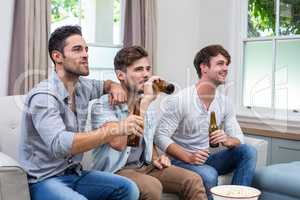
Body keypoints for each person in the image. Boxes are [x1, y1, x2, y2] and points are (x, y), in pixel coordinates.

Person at [19, 25, 139, 200]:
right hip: (44, 180)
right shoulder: (43, 97)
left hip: (75, 174)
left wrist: (113, 86)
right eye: (77, 50)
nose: (85, 54)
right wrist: (115, 129)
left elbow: (103, 85)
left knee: (128, 188)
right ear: (57, 57)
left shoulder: (82, 86)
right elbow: (61, 145)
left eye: (86, 49)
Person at [90, 46, 207, 200]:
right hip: (116, 171)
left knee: (193, 179)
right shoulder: (103, 106)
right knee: (152, 187)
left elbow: (148, 140)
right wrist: (143, 104)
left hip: (145, 166)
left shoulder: (147, 104)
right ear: (121, 75)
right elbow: (118, 143)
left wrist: (157, 157)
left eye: (148, 69)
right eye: (138, 69)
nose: (146, 75)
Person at [154, 44, 257, 200]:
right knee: (209, 174)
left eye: (227, 64)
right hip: (180, 160)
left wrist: (228, 140)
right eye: (220, 63)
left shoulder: (225, 102)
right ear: (204, 68)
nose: (226, 68)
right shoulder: (181, 100)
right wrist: (188, 157)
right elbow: (160, 136)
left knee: (248, 151)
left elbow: (238, 138)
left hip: (205, 158)